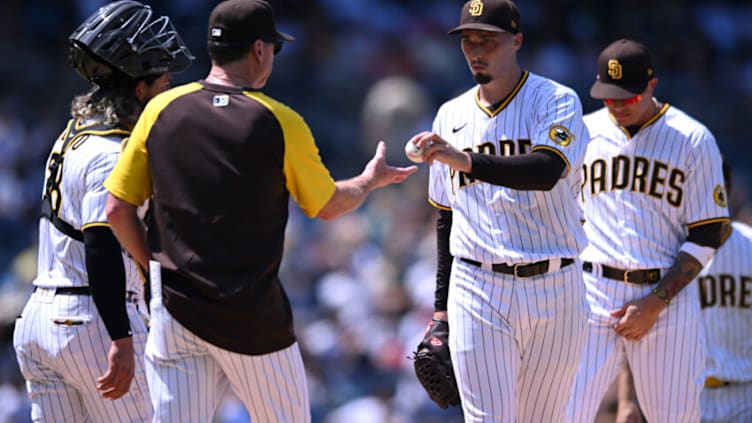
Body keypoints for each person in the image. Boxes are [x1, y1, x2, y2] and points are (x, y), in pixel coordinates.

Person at [103, 0, 417, 421]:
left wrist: (152, 271)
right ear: (258, 49)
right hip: (250, 317)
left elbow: (117, 210)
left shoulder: (161, 109)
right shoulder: (279, 120)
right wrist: (368, 181)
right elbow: (327, 206)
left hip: (175, 311)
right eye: (273, 47)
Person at [406, 0, 590, 421]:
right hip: (478, 286)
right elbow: (446, 218)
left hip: (556, 283)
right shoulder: (450, 115)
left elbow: (547, 170)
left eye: (487, 40)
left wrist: (466, 160)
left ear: (517, 41)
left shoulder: (556, 101)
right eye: (468, 41)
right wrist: (440, 311)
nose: (475, 50)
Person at [12, 1, 193, 422]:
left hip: (40, 319)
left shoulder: (72, 135)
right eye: (163, 82)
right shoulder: (111, 152)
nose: (166, 93)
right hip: (93, 321)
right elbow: (101, 243)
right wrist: (121, 336)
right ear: (139, 87)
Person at [566, 38, 730, 422]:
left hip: (666, 297)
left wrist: (655, 302)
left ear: (652, 85)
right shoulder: (583, 133)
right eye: (609, 95)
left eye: (628, 96)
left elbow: (709, 232)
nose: (618, 105)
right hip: (591, 292)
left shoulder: (691, 139)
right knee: (561, 411)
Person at [615, 161, 752, 423]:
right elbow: (637, 329)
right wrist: (627, 400)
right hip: (685, 396)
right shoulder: (663, 252)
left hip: (745, 394)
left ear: (726, 191)